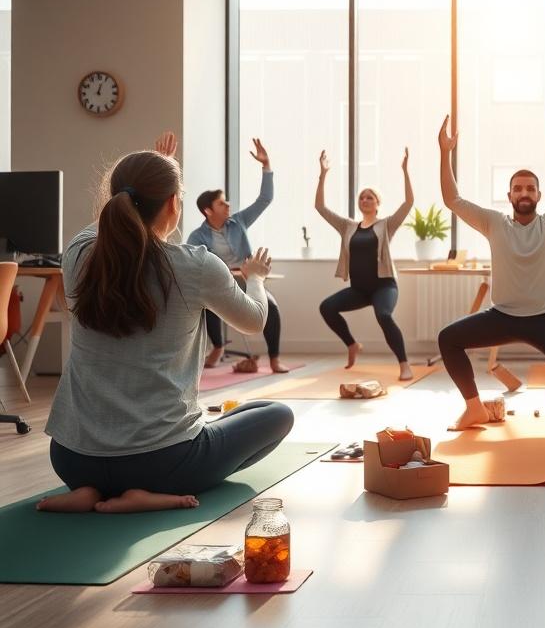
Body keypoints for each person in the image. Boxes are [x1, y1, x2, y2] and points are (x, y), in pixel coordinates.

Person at [37, 147, 294, 513]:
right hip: (164, 464)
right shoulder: (195, 265)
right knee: (277, 413)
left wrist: (145, 177)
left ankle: (91, 490)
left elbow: (115, 219)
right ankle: (140, 495)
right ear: (174, 204)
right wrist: (255, 277)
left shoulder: (78, 254)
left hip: (71, 458)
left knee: (235, 415)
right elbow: (254, 320)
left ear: (116, 199)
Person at [436, 114, 545, 432]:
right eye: (518, 188)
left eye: (530, 188)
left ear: (539, 196)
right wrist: (444, 152)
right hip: (502, 315)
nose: (524, 192)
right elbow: (453, 199)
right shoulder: (494, 223)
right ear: (510, 196)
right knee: (448, 339)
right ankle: (474, 409)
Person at [183, 135, 289, 373]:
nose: (228, 204)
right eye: (222, 203)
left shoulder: (239, 222)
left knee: (271, 307)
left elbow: (265, 199)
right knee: (206, 302)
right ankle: (218, 347)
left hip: (245, 280)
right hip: (219, 280)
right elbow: (194, 265)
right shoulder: (197, 237)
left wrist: (266, 165)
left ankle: (274, 359)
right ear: (208, 211)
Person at [315, 148, 414, 380]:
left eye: (370, 197)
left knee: (384, 316)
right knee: (326, 307)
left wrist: (405, 171)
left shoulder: (386, 225)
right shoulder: (348, 226)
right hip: (359, 289)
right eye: (362, 197)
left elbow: (409, 202)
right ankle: (351, 345)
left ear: (378, 203)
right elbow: (320, 207)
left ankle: (404, 364)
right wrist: (323, 174)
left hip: (384, 286)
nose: (365, 199)